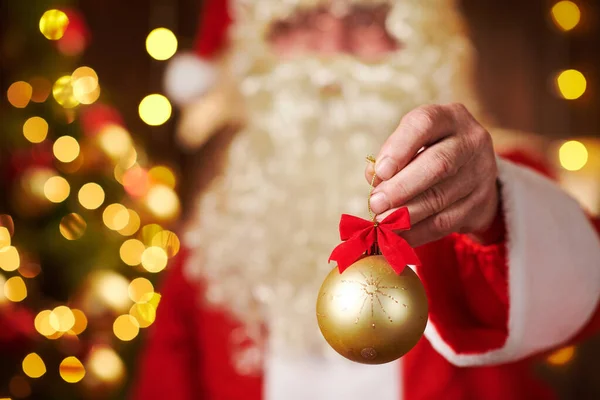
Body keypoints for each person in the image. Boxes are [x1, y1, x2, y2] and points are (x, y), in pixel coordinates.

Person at [132, 1, 600, 399]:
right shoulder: (220, 227)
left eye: (365, 18)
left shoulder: (495, 177)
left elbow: (583, 289)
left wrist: (490, 212)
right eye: (304, 21)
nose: (331, 54)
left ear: (423, 44)